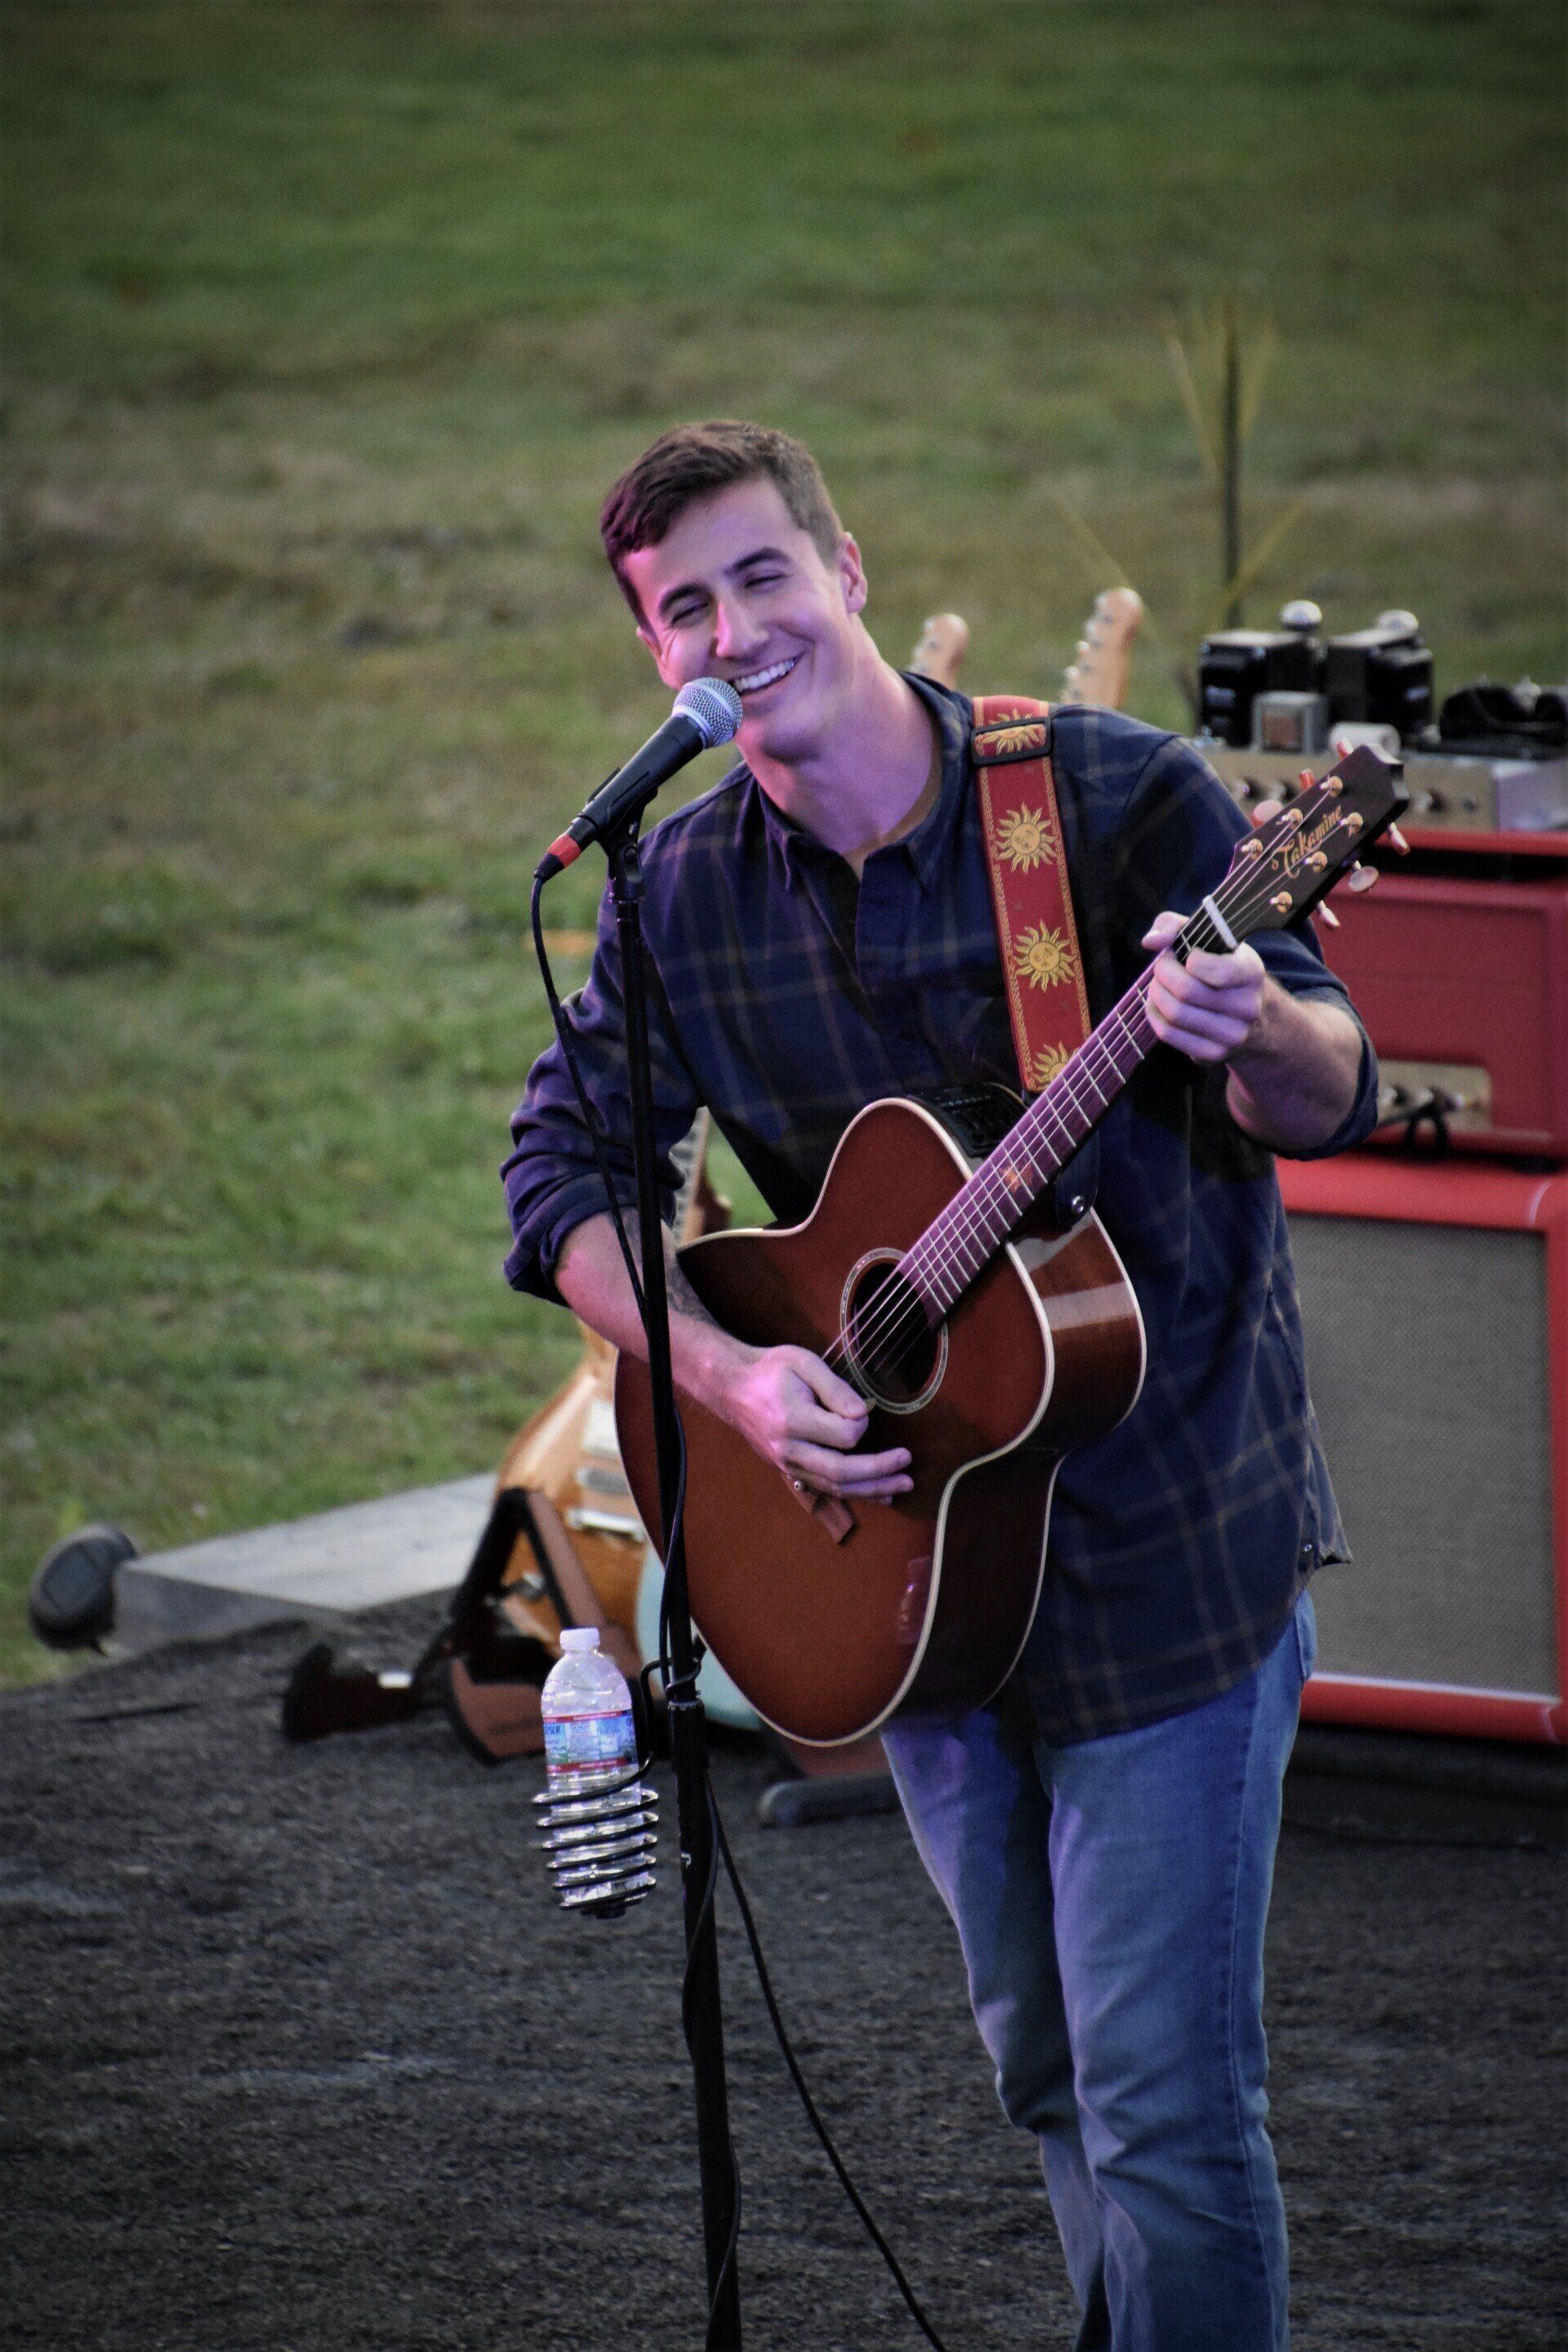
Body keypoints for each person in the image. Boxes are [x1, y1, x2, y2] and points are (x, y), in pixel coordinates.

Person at [501, 420, 1378, 2350]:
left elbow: (1332, 1084)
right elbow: (559, 1180)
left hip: (1163, 1556)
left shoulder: (1108, 801)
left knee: (1161, 2114)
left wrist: (1250, 1025)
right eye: (686, 609)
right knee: (1045, 2078)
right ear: (656, 653)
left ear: (849, 572)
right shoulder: (683, 891)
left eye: (763, 576)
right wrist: (734, 1378)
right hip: (909, 1579)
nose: (736, 630)